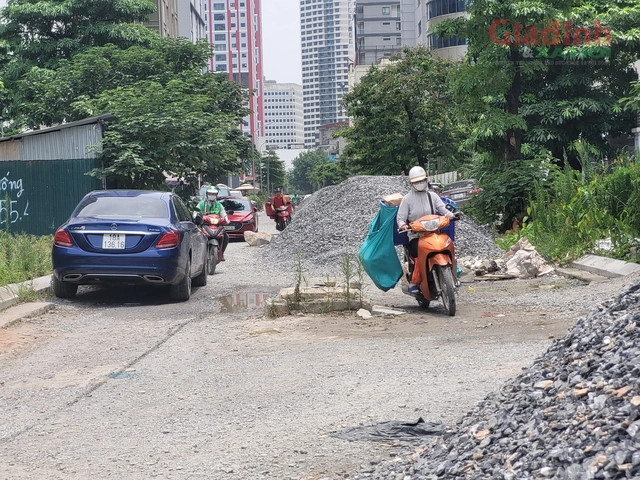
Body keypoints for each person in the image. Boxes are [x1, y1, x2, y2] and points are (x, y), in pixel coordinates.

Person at [397, 166, 459, 295]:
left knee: (448, 245)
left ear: (426, 180)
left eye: (421, 180)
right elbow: (401, 218)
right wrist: (403, 225)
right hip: (416, 236)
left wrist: (452, 216)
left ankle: (453, 275)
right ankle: (414, 282)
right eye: (416, 182)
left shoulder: (433, 196)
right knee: (418, 253)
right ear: (411, 183)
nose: (419, 184)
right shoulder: (407, 199)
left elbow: (443, 210)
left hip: (434, 233)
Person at [196, 186, 229, 261]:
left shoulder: (219, 205)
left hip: (216, 225)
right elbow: (196, 212)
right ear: (207, 194)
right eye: (210, 194)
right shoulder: (201, 204)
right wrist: (197, 217)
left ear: (216, 195)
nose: (212, 196)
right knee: (197, 236)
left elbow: (223, 213)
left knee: (226, 236)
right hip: (205, 225)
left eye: (214, 194)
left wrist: (226, 219)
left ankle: (222, 252)